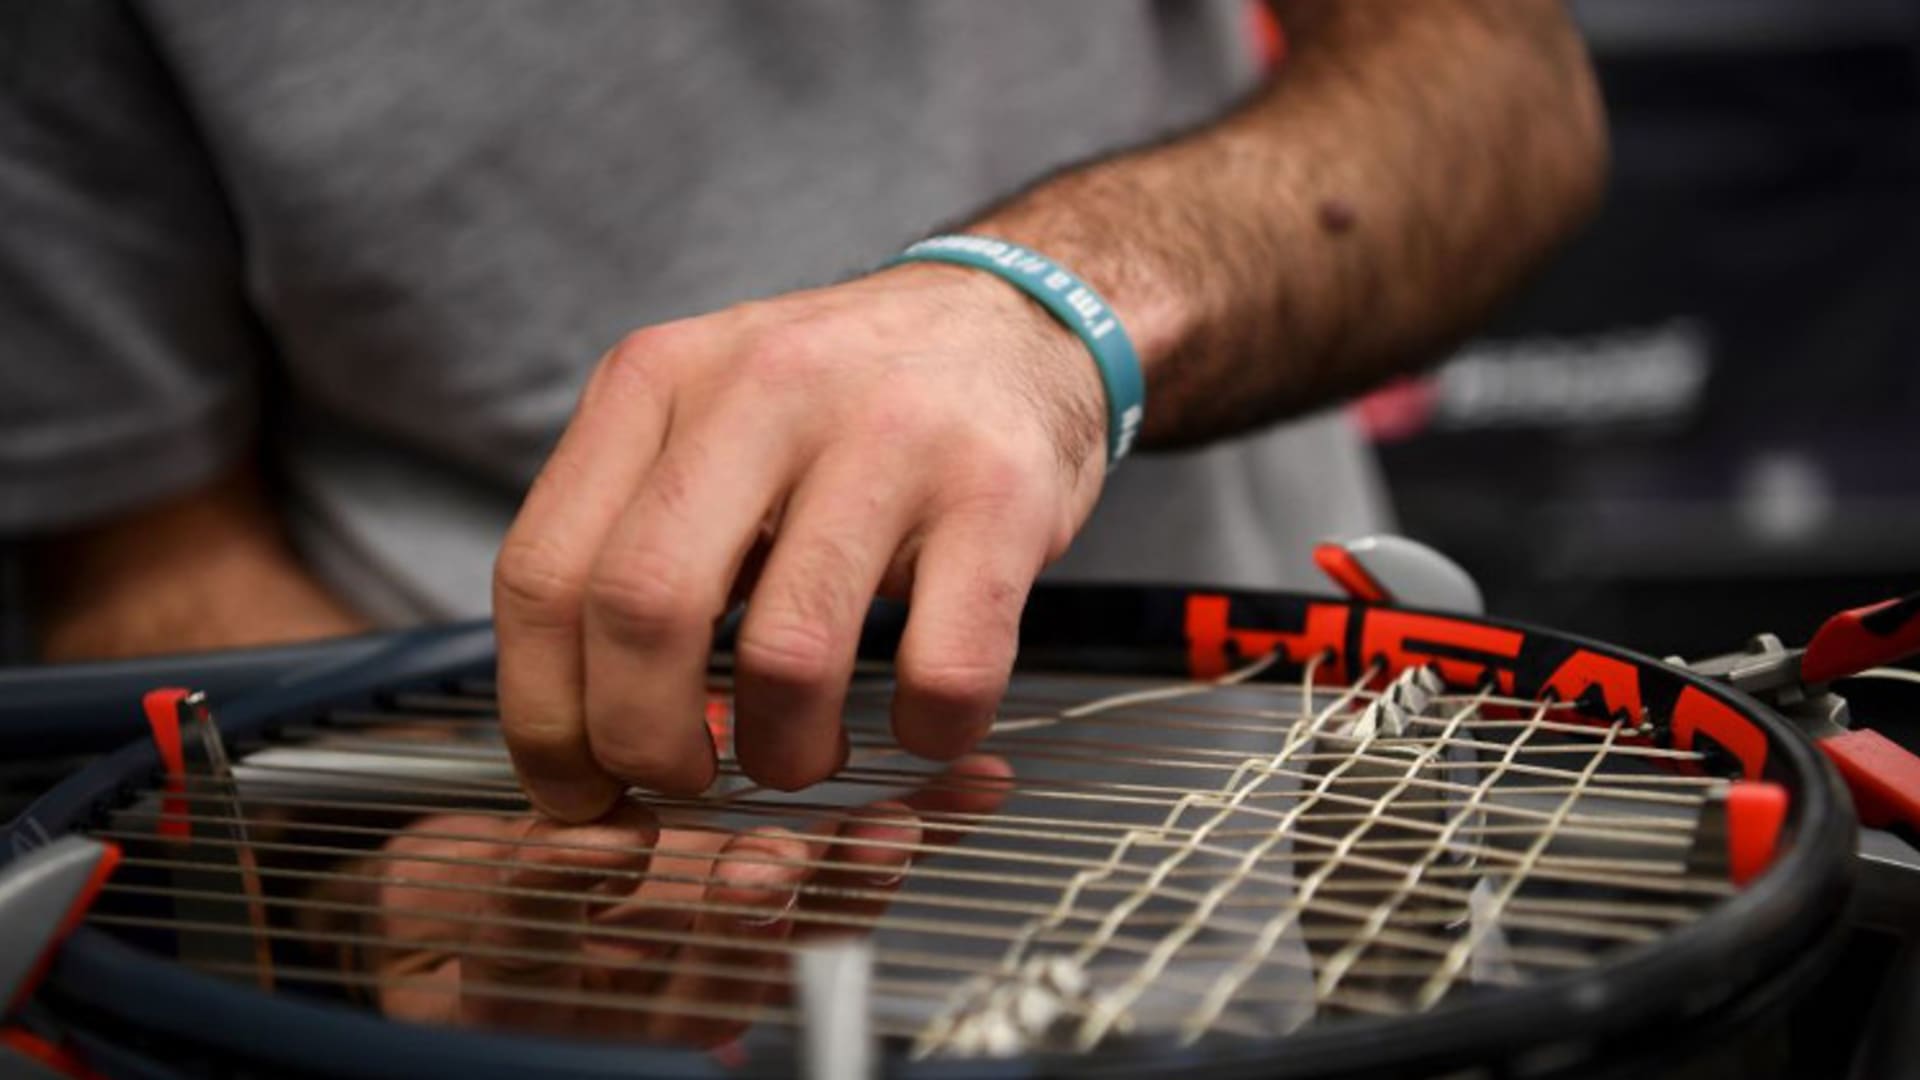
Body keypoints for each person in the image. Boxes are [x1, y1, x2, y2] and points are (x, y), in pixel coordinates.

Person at [5, 3, 1606, 813]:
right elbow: (138, 564)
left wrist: (1052, 309)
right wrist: (386, 892)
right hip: (547, 934)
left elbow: (1494, 77)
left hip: (1284, 813)